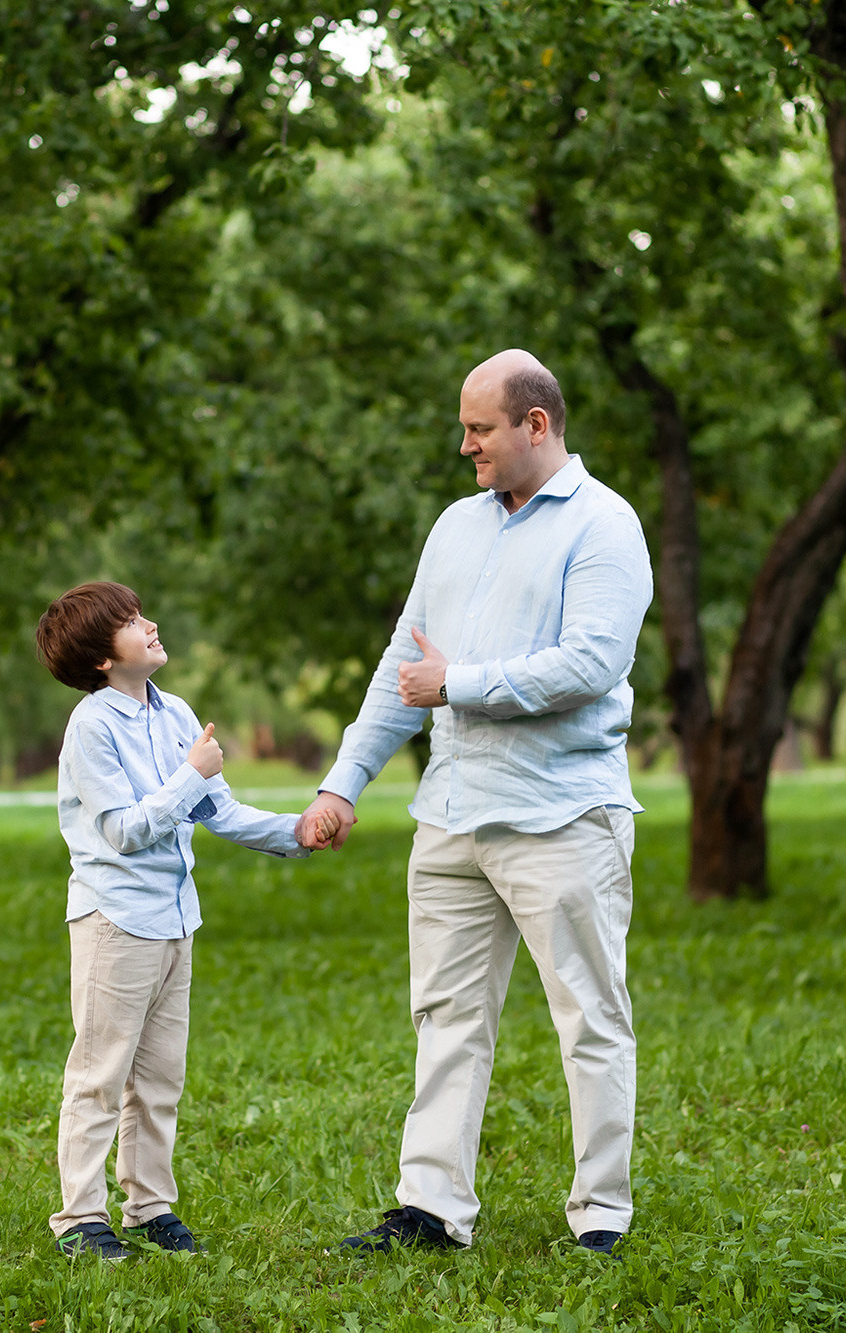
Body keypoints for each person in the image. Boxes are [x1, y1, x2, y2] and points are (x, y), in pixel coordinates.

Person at [299, 349, 653, 1257]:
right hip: (451, 813)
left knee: (590, 1017)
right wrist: (346, 779)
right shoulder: (455, 527)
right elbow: (400, 668)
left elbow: (591, 664)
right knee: (446, 1015)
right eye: (465, 428)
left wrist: (460, 684)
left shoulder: (606, 527)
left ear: (537, 424)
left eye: (480, 428)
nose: (466, 445)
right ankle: (431, 1208)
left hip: (562, 816)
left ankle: (601, 1214)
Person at [36, 582, 334, 1261]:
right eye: (131, 622)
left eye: (142, 612)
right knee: (100, 1073)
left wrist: (298, 831)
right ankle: (81, 1217)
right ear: (101, 660)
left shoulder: (175, 714)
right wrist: (190, 776)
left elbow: (218, 810)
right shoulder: (92, 727)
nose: (150, 623)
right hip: (116, 921)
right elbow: (123, 830)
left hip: (174, 921)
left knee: (161, 1076)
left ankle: (148, 1205)